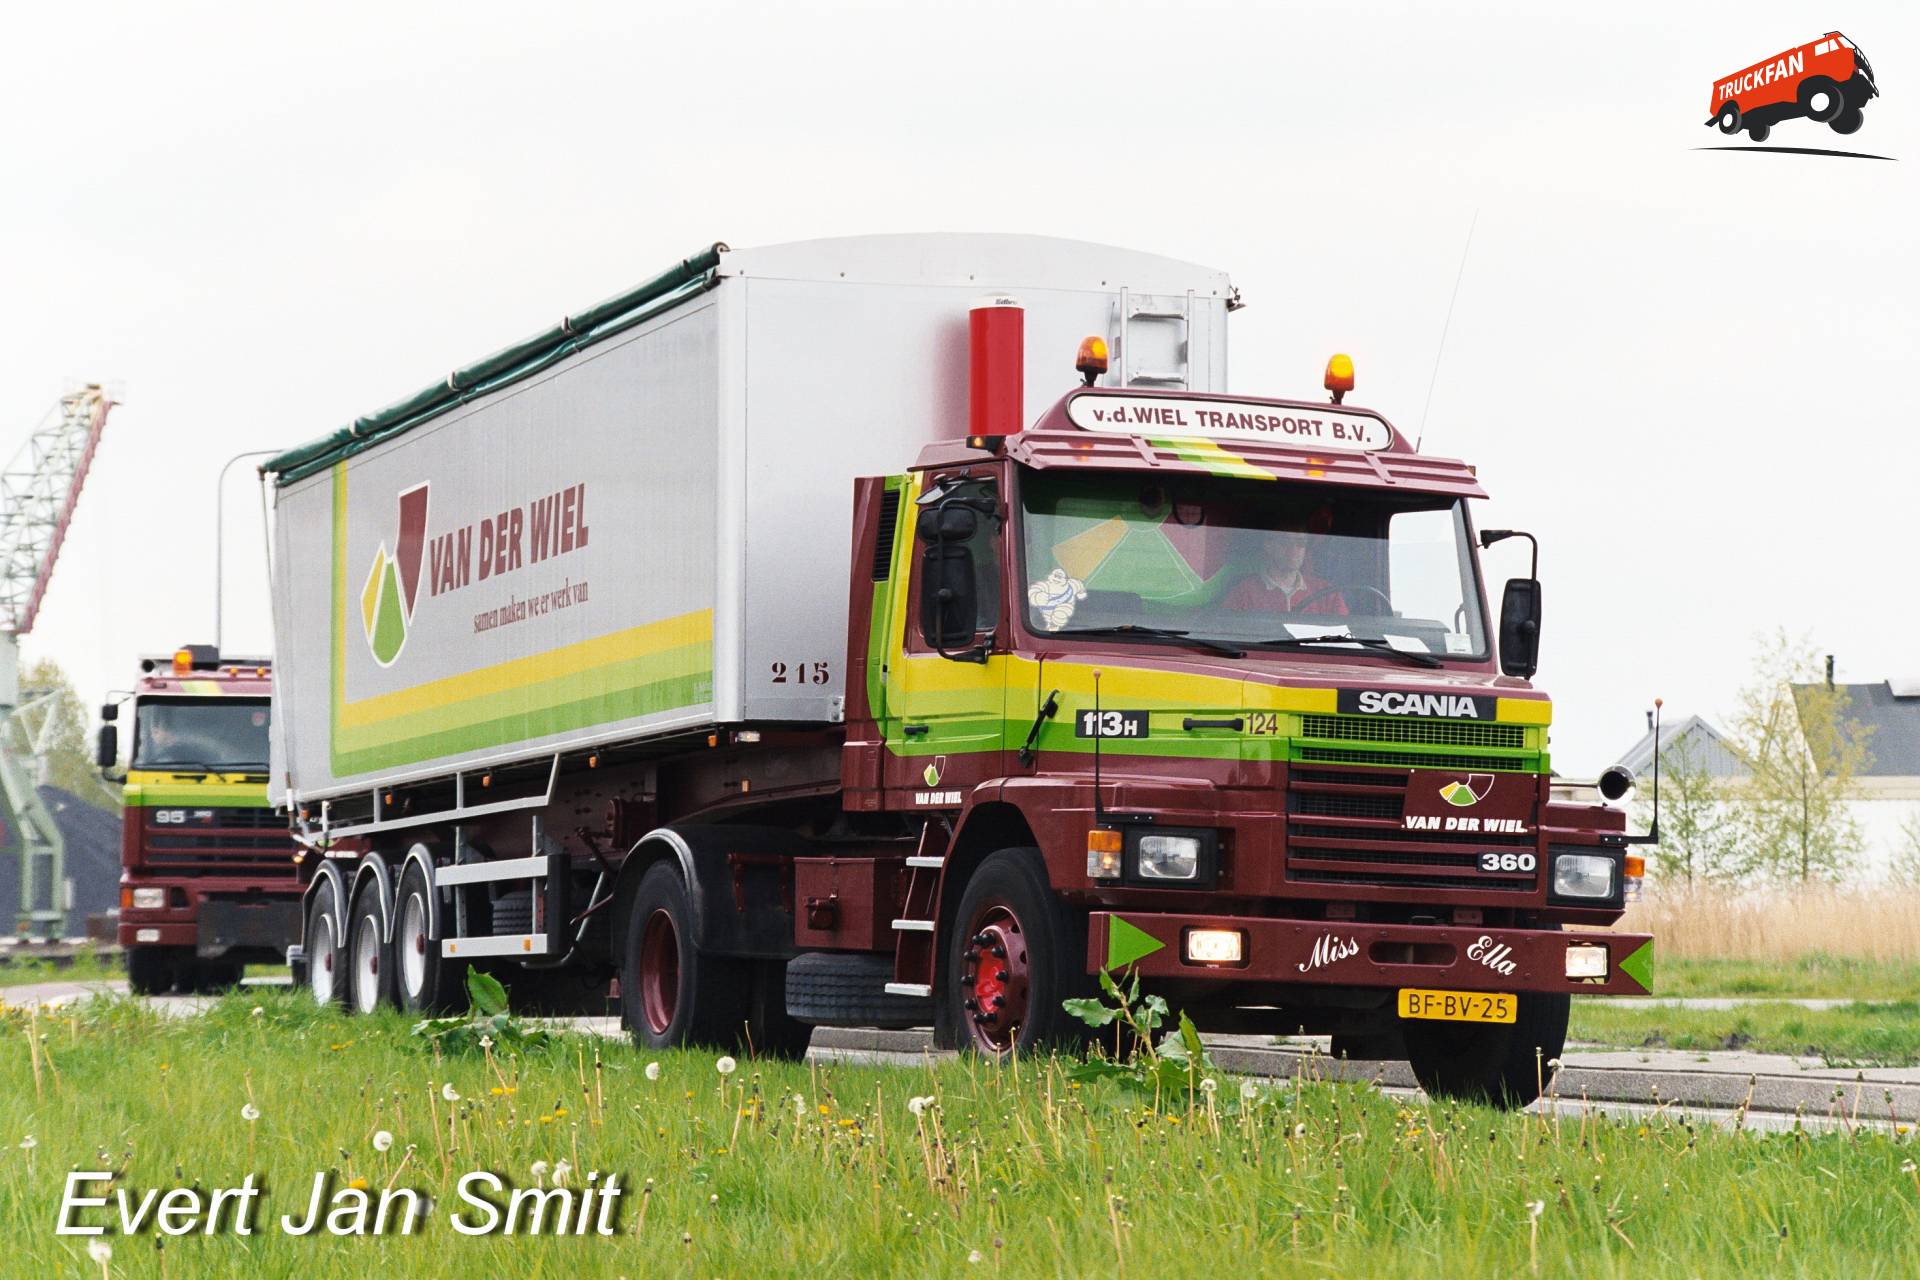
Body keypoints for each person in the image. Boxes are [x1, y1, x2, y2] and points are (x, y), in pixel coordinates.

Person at [1222, 527, 1347, 615]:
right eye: (1285, 541)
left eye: (1300, 543)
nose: (1293, 549)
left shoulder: (1327, 592)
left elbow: (1344, 639)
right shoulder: (1244, 591)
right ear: (1268, 545)